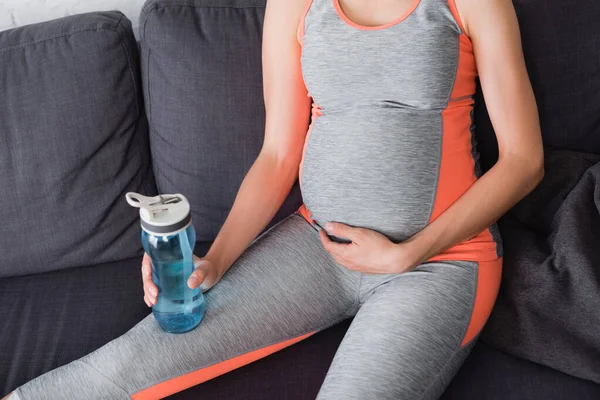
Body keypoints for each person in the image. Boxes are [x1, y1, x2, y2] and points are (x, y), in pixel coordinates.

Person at [6, 0, 543, 398]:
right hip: (317, 247)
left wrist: (409, 252)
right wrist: (216, 260)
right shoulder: (296, 4)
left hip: (440, 264)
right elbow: (277, 156)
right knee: (123, 367)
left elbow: (523, 159)